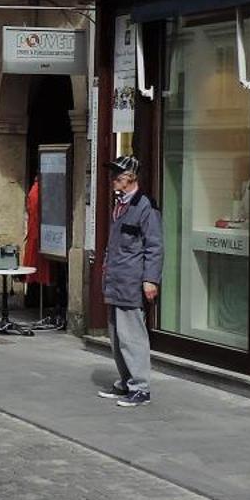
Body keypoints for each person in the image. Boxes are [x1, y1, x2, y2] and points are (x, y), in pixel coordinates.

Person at [100, 155, 164, 408]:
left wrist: (150, 279)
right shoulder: (120, 204)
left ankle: (140, 388)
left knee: (132, 336)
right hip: (116, 279)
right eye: (113, 174)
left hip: (131, 281)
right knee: (117, 336)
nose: (113, 179)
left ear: (130, 178)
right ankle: (127, 381)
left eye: (118, 175)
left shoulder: (145, 206)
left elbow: (155, 246)